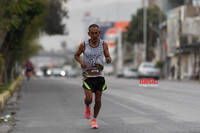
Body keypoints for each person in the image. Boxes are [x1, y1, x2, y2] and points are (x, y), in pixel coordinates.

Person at [74, 24, 111, 129]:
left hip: (99, 75)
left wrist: (108, 59)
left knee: (98, 100)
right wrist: (81, 62)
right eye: (92, 33)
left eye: (96, 33)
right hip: (87, 75)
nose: (95, 35)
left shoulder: (104, 44)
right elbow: (76, 55)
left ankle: (94, 119)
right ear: (89, 34)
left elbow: (108, 56)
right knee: (89, 99)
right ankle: (87, 105)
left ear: (99, 33)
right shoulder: (84, 45)